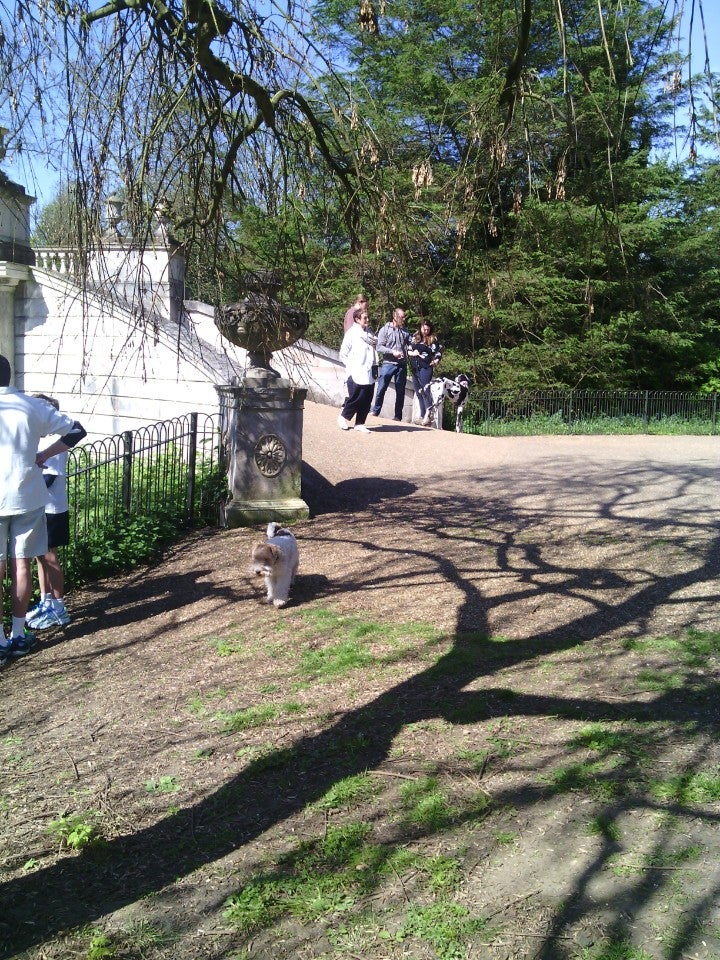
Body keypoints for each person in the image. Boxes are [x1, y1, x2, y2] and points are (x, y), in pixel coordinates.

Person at [0, 355, 86, 663]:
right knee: (21, 564)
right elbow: (77, 432)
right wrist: (43, 455)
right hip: (27, 496)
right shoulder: (31, 406)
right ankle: (19, 634)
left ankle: (0, 638)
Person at [25, 395, 75, 631]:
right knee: (39, 556)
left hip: (52, 507)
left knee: (50, 556)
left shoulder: (54, 440)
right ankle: (46, 601)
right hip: (40, 506)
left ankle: (59, 607)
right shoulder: (40, 438)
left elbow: (49, 477)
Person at [338, 307, 378, 433]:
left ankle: (360, 423)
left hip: (369, 371)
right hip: (356, 371)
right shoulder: (352, 333)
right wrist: (351, 367)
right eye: (365, 318)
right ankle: (344, 417)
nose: (367, 320)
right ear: (357, 319)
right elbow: (343, 353)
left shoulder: (370, 333)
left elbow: (374, 350)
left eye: (367, 317)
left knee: (367, 398)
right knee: (357, 397)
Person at [371, 307, 411, 421]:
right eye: (402, 317)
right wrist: (392, 352)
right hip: (388, 364)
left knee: (400, 391)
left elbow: (410, 344)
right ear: (395, 317)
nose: (404, 319)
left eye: (404, 317)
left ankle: (398, 416)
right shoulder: (385, 330)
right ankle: (375, 411)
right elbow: (379, 347)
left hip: (401, 365)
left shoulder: (405, 331)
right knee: (381, 388)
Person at [408, 320, 443, 425]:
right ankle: (423, 415)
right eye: (424, 329)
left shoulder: (432, 339)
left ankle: (428, 414)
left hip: (426, 367)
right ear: (420, 328)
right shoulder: (414, 337)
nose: (426, 331)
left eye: (428, 329)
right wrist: (412, 353)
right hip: (414, 367)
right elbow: (408, 350)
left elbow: (438, 352)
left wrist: (435, 361)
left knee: (425, 390)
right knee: (418, 391)